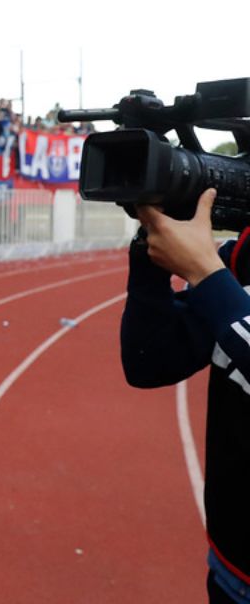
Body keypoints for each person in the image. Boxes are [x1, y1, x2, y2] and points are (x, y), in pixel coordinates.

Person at [122, 189, 250, 603]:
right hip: (230, 565)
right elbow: (149, 361)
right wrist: (153, 242)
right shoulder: (243, 256)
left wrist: (207, 275)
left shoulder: (220, 271)